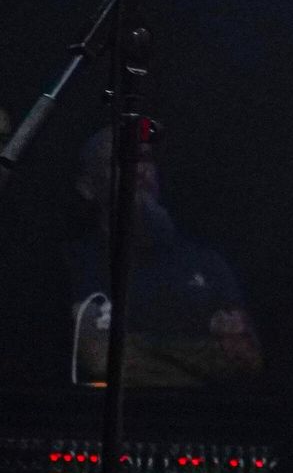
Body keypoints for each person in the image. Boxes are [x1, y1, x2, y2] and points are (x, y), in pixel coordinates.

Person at [65, 126, 263, 388]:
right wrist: (200, 358)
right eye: (123, 161)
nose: (139, 170)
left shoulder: (206, 263)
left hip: (201, 423)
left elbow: (246, 359)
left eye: (145, 159)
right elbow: (101, 359)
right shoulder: (74, 262)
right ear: (87, 187)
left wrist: (137, 345)